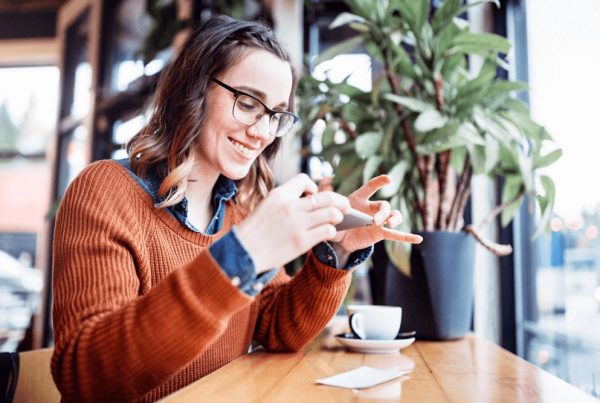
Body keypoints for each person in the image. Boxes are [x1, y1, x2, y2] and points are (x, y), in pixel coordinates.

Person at [50, 15, 422, 402]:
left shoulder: (240, 211)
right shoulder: (105, 191)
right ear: (192, 90)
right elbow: (86, 374)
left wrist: (338, 254)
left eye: (276, 115)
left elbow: (278, 329)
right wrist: (239, 257)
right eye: (247, 104)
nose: (262, 132)